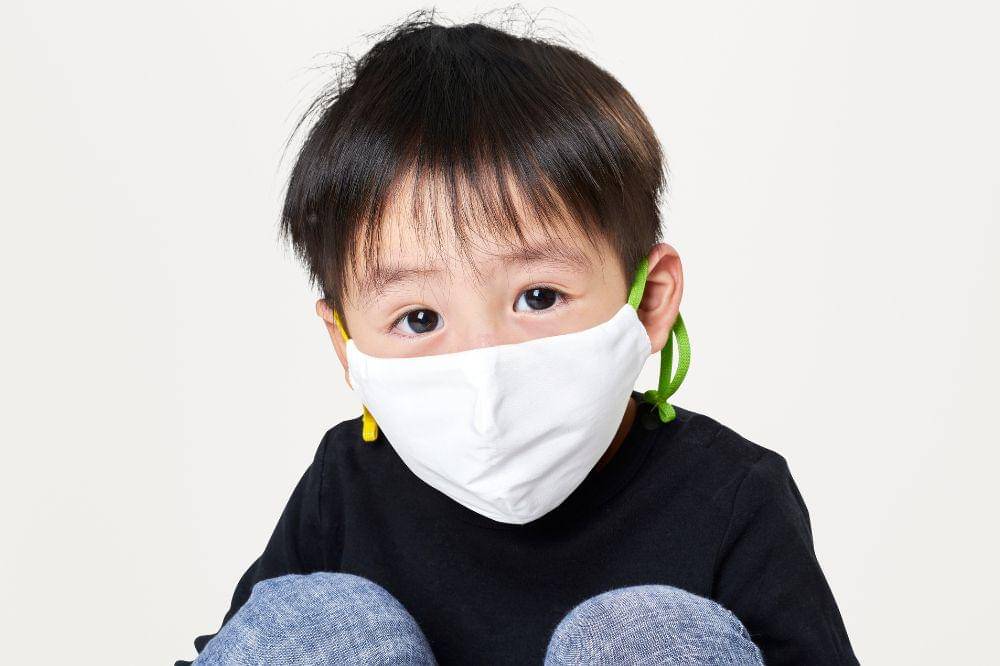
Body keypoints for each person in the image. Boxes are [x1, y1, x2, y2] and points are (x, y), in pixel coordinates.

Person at [176, 10, 858, 665]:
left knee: (645, 640)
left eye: (538, 297)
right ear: (345, 345)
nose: (484, 364)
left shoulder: (730, 494)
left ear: (650, 302)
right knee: (319, 629)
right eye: (420, 319)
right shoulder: (347, 487)